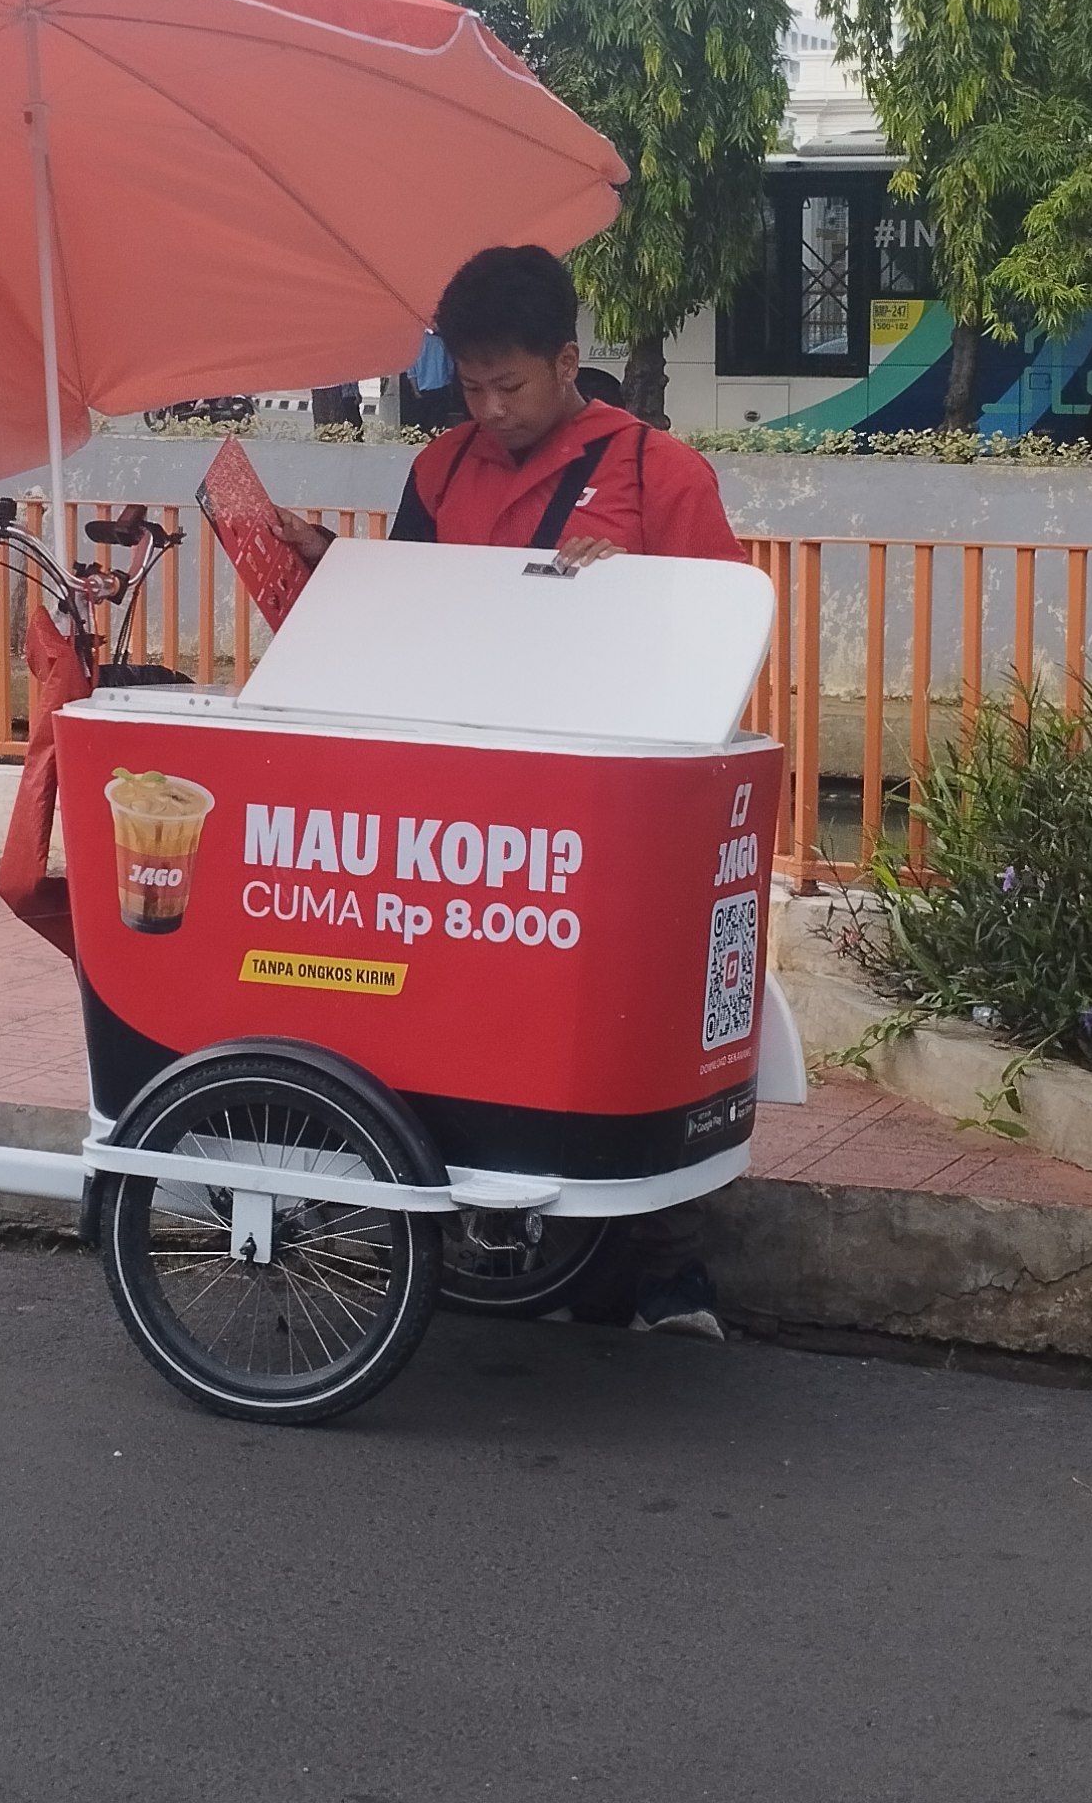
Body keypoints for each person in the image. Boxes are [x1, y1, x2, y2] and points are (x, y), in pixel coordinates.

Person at [275, 243, 748, 1339]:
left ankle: (673, 1277)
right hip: (470, 813)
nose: (487, 410)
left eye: (510, 385)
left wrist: (628, 599)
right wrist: (321, 567)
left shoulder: (656, 473)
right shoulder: (438, 470)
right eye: (470, 387)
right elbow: (404, 624)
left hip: (615, 812)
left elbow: (721, 643)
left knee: (637, 1030)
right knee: (482, 1033)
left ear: (569, 360)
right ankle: (521, 1265)